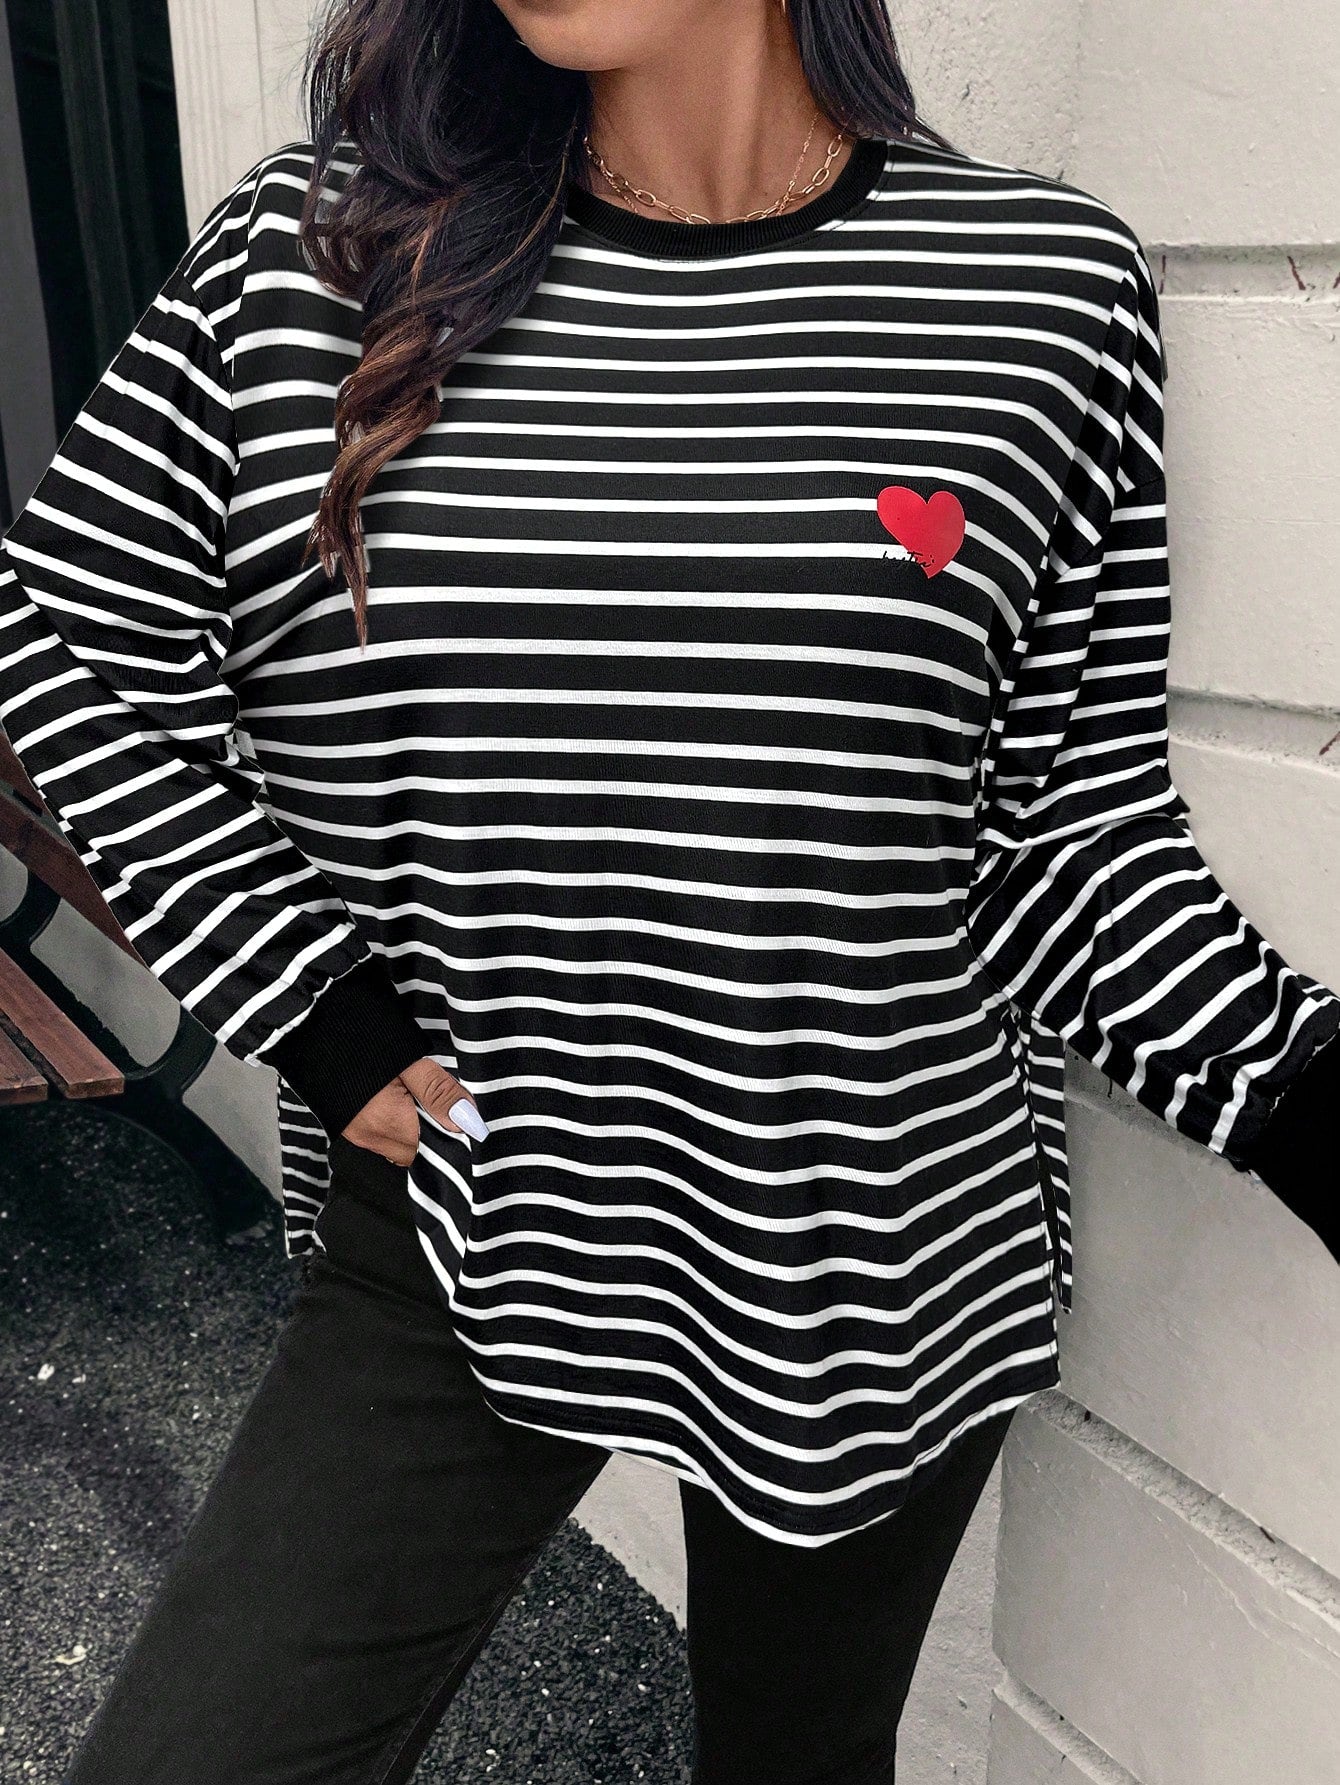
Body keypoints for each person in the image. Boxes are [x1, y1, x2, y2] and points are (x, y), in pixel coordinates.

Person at [2, 1, 1335, 1780]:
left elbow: (1059, 842)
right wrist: (313, 1003)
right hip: (475, 1208)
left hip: (873, 1236)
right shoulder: (317, 261)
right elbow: (71, 651)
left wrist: (1313, 1103)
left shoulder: (1040, 295)